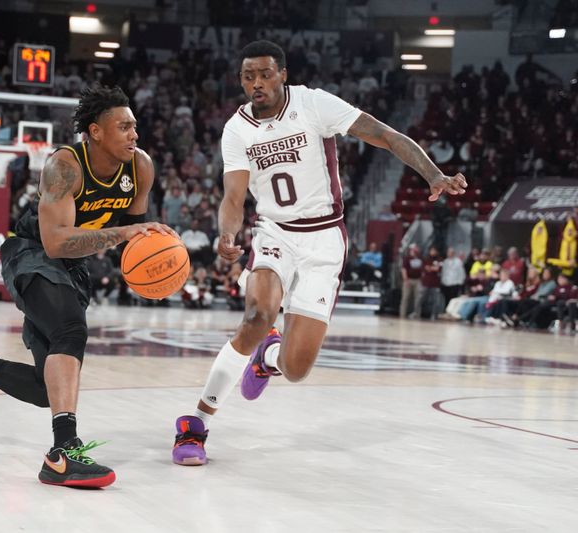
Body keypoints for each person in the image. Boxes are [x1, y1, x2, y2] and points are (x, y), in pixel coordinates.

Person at [171, 40, 467, 466]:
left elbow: (383, 134)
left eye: (265, 74)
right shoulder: (237, 129)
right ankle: (195, 425)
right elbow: (233, 195)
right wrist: (226, 233)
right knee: (256, 317)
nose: (257, 83)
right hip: (274, 232)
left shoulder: (313, 105)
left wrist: (432, 173)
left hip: (325, 238)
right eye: (248, 76)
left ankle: (267, 358)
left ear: (283, 74)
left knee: (295, 369)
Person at [0, 86, 174, 488]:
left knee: (46, 390)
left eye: (135, 126)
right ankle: (63, 453)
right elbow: (57, 241)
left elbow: (132, 238)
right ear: (95, 131)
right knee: (70, 331)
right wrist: (125, 232)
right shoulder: (64, 166)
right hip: (32, 252)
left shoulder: (140, 168)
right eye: (124, 127)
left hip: (73, 265)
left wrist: (154, 262)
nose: (134, 134)